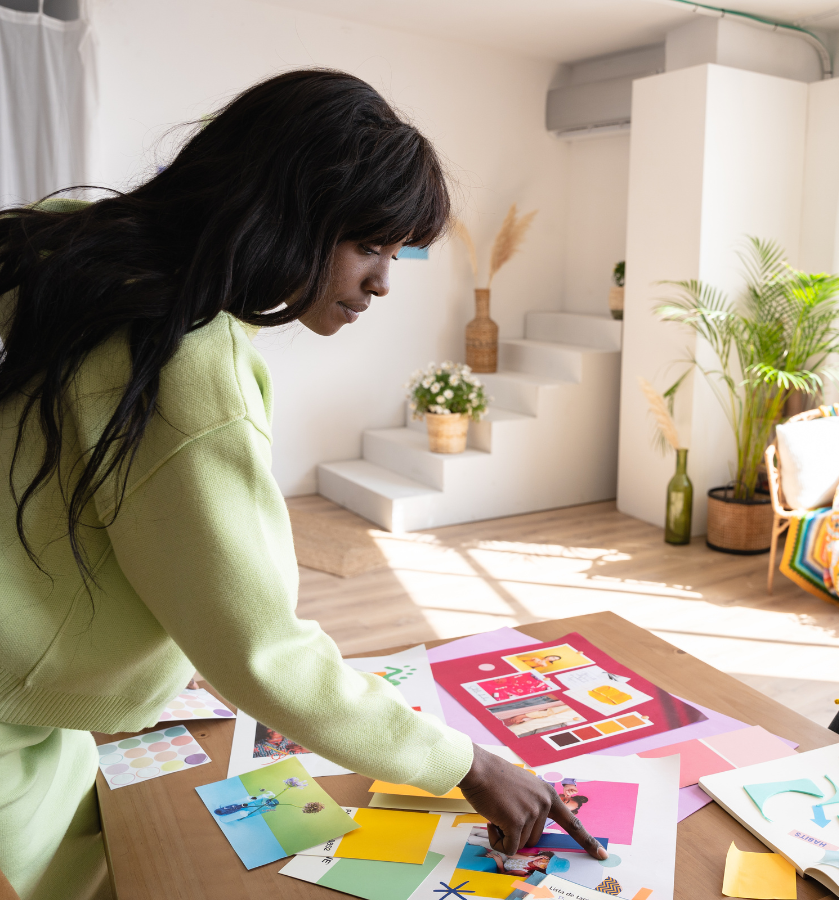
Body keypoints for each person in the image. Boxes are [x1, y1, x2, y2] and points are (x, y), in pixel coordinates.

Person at [0, 69, 604, 900]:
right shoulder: (183, 362)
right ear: (282, 210)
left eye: (401, 252)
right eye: (369, 245)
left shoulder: (63, 246)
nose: (386, 281)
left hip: (39, 705)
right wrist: (466, 763)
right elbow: (266, 652)